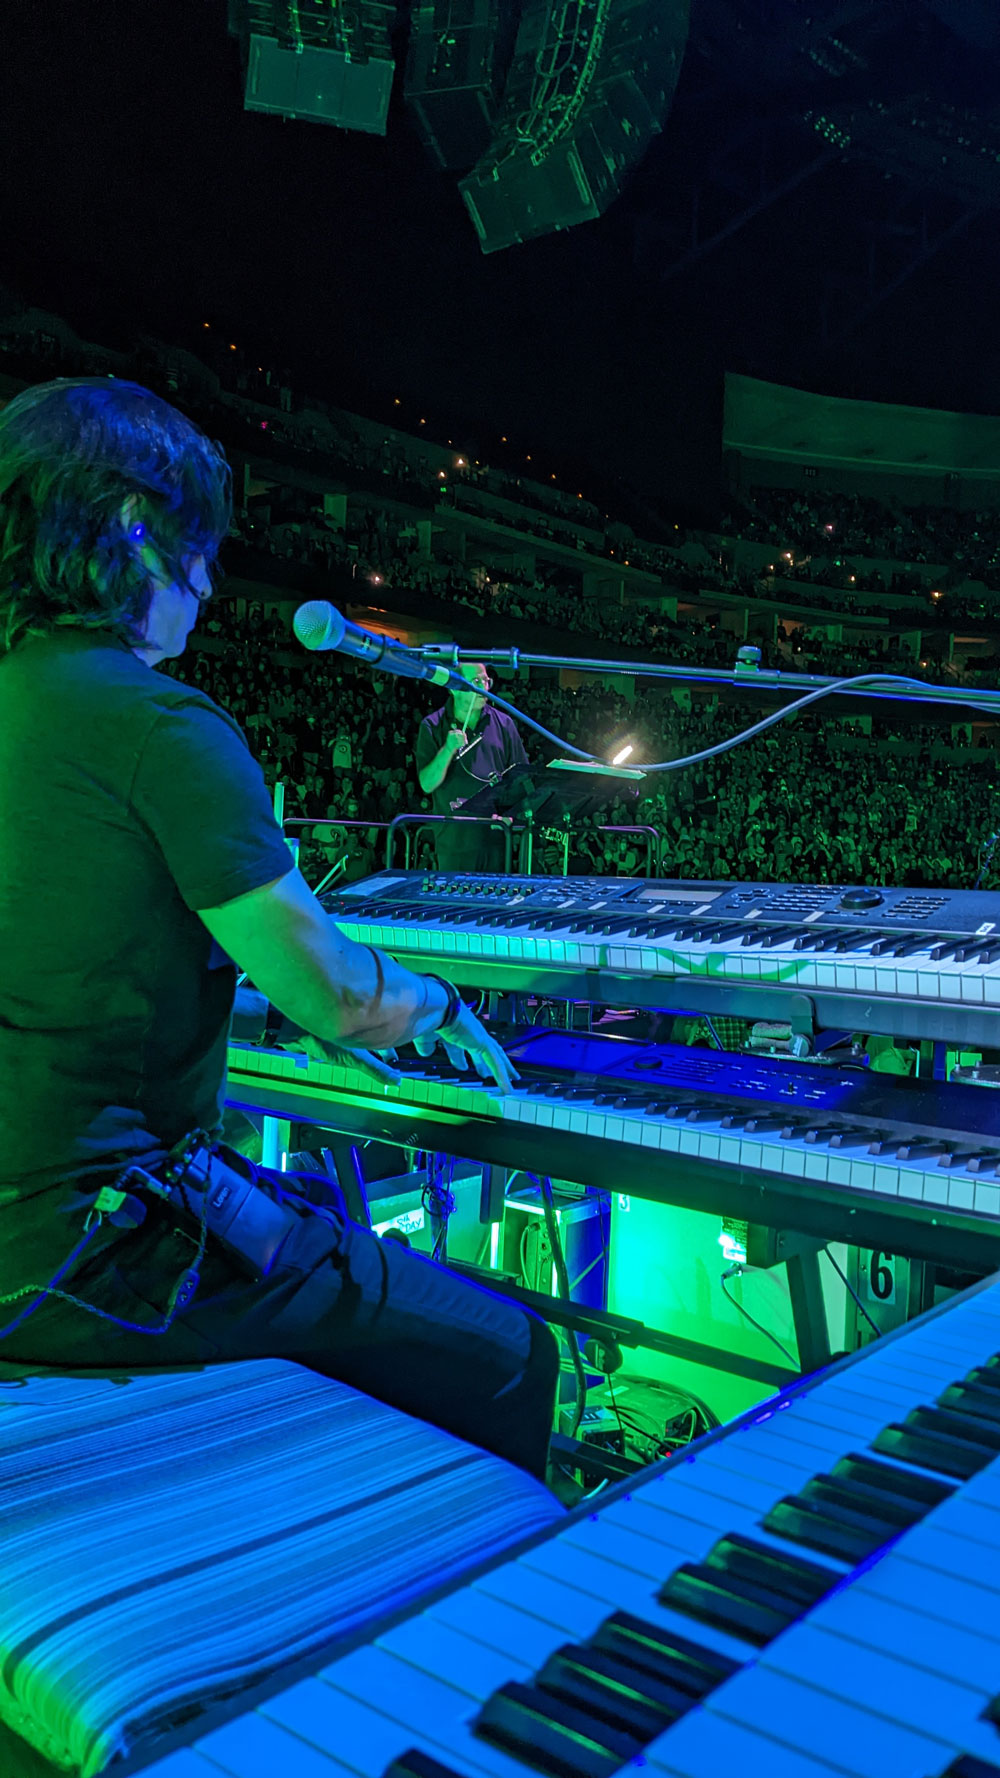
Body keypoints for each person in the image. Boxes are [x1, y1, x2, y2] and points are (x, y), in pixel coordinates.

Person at [0, 378, 558, 1480]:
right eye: (199, 550)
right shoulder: (160, 726)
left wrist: (254, 1008)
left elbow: (68, 950)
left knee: (318, 1227)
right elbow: (339, 995)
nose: (211, 583)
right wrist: (436, 1004)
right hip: (94, 1258)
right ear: (133, 529)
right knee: (509, 1350)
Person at [415, 660, 528, 871]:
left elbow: (522, 778)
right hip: (454, 842)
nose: (483, 687)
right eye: (476, 681)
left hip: (495, 840)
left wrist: (511, 813)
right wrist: (448, 749)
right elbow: (427, 784)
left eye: (486, 681)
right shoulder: (432, 725)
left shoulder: (504, 724)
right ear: (454, 688)